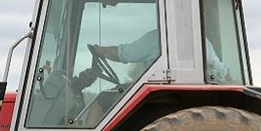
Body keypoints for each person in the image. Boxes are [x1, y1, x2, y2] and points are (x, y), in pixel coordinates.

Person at [89, 28, 232, 84]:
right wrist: (232, 84)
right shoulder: (200, 40)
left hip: (163, 88)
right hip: (184, 89)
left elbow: (126, 54)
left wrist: (99, 50)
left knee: (102, 101)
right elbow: (221, 69)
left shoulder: (159, 38)